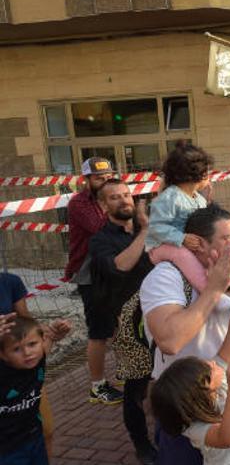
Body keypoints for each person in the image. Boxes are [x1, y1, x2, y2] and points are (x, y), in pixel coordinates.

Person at [141, 206, 230, 465]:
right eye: (228, 238)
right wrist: (213, 290)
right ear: (199, 243)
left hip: (221, 383)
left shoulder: (227, 270)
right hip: (184, 400)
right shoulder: (165, 277)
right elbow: (170, 341)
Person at [150, 266, 230, 465]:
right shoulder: (196, 427)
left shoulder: (219, 376)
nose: (212, 362)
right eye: (208, 369)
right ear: (203, 392)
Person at [88, 179, 157, 464]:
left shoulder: (143, 230)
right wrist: (147, 231)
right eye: (115, 197)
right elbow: (121, 266)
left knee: (163, 377)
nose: (124, 200)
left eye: (127, 195)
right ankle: (142, 445)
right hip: (127, 324)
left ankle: (168, 434)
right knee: (136, 386)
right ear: (104, 206)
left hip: (157, 315)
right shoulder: (101, 240)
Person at [64, 156, 121, 404]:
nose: (105, 180)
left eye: (108, 176)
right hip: (89, 274)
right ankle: (97, 386)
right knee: (99, 330)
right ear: (86, 180)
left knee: (120, 322)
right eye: (99, 177)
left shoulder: (110, 198)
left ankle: (124, 371)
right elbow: (102, 227)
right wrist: (117, 206)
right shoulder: (79, 203)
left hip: (112, 270)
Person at [0, 315, 70, 465]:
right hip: (7, 449)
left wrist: (55, 331)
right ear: (3, 355)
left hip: (34, 437)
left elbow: (49, 338)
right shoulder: (4, 372)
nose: (27, 353)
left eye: (32, 344)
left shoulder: (36, 360)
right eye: (16, 349)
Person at [146, 142, 214, 292]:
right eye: (208, 172)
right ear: (199, 173)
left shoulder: (199, 198)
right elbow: (156, 227)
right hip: (163, 246)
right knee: (184, 257)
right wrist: (181, 238)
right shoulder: (170, 197)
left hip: (184, 244)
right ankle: (209, 290)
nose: (209, 177)